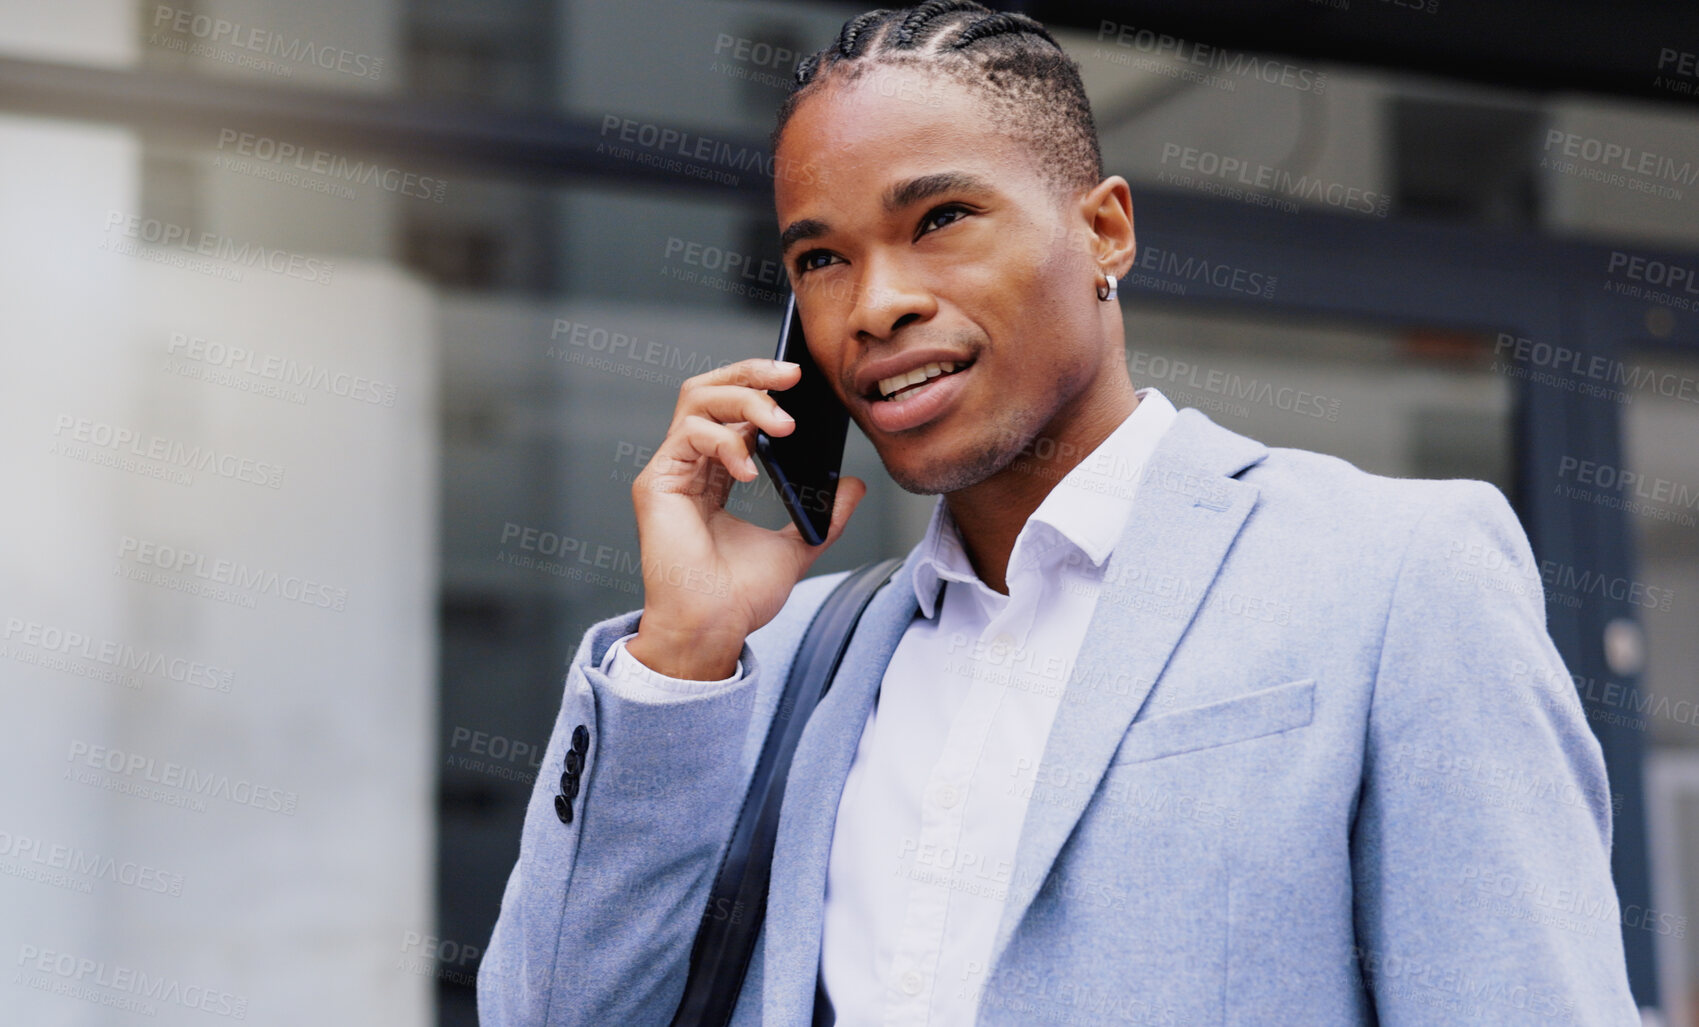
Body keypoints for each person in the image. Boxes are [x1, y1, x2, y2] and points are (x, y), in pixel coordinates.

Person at [477, 2, 1639, 1023]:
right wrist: (679, 656)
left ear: (1105, 232)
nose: (873, 305)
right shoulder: (769, 666)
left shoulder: (1395, 574)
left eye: (939, 220)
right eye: (822, 259)